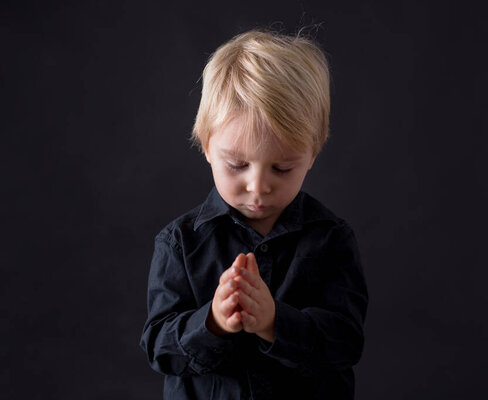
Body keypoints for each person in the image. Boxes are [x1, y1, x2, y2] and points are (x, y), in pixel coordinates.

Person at [141, 29, 368, 399]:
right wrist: (211, 321)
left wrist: (274, 322)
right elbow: (159, 349)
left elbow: (345, 344)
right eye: (237, 164)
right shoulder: (180, 243)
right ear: (207, 147)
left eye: (281, 169)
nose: (258, 187)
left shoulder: (331, 238)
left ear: (313, 154)